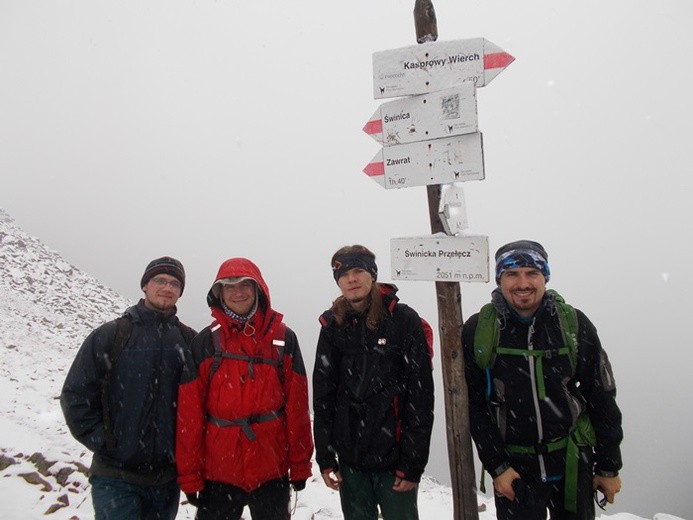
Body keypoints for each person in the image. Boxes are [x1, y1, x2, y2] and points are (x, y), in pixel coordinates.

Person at [462, 240, 623, 519]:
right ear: (500, 279)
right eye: (512, 274)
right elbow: (474, 405)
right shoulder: (480, 330)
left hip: (572, 460)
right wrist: (497, 466)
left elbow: (601, 395)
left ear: (544, 276)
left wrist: (608, 466)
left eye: (531, 273)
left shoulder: (572, 324)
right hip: (515, 470)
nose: (522, 283)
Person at [176, 257, 313, 520]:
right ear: (219, 294)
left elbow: (296, 406)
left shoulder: (283, 339)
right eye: (229, 286)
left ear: (258, 289)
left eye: (244, 285)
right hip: (219, 471)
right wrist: (190, 474)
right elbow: (190, 414)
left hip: (270, 468)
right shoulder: (205, 342)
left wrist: (299, 464)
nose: (238, 292)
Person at [61, 256, 195, 520]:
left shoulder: (189, 340)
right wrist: (105, 442)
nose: (167, 287)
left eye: (175, 283)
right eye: (160, 280)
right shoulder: (112, 334)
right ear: (145, 285)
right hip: (116, 477)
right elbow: (76, 394)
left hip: (166, 479)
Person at [313, 245, 435, 520]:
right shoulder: (332, 325)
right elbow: (323, 396)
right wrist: (325, 457)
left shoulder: (403, 320)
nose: (351, 279)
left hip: (394, 458)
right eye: (344, 274)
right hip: (350, 458)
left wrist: (412, 463)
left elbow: (421, 396)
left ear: (373, 275)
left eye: (358, 271)